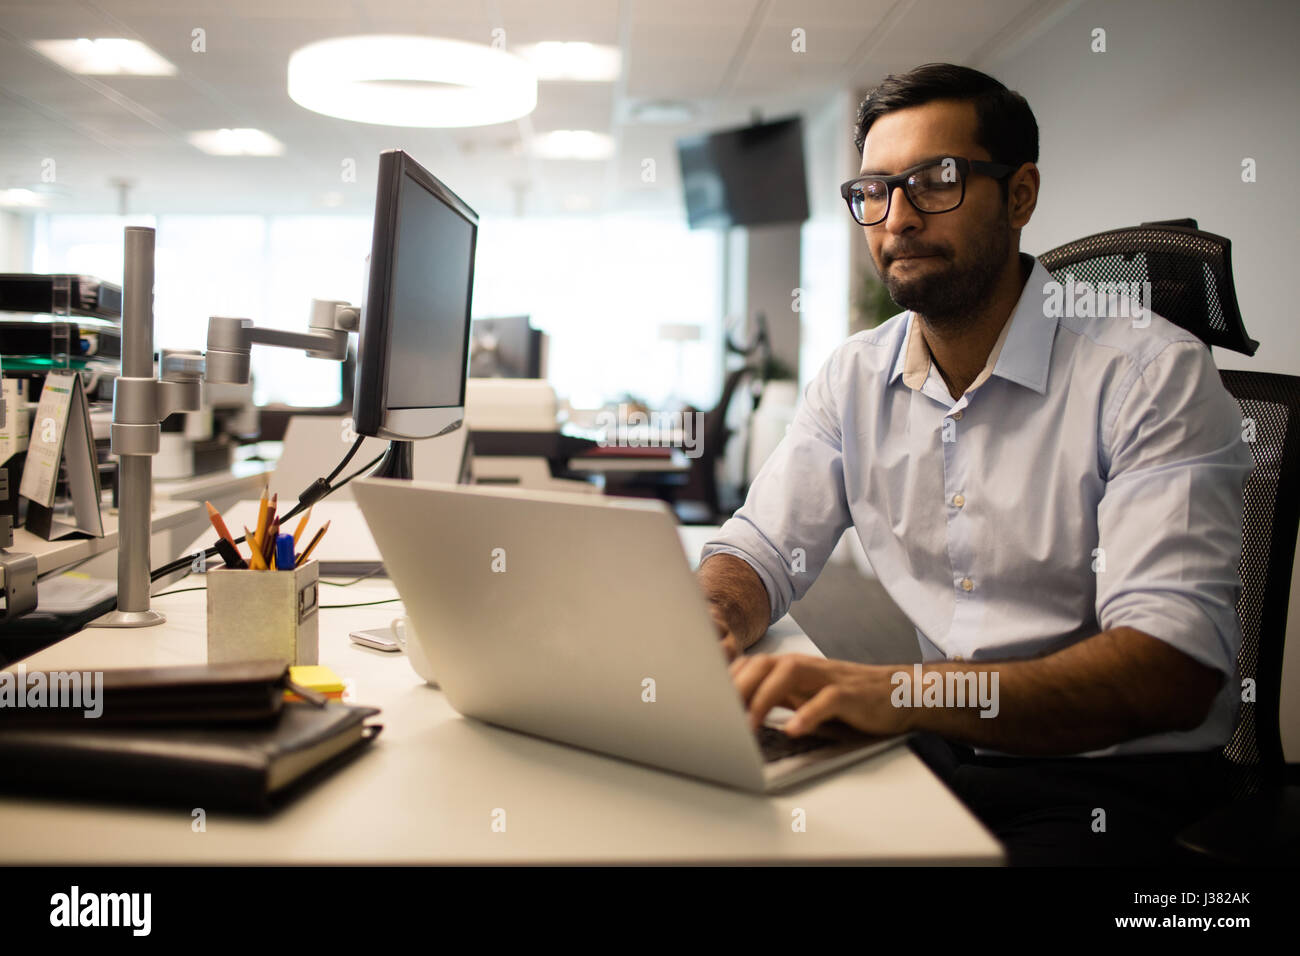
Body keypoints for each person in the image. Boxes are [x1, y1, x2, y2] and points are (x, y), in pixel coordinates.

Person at [696, 62, 1253, 865]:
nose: (898, 219)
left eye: (937, 182)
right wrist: (714, 614)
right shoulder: (855, 375)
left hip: (1115, 781)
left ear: (1020, 195)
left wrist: (901, 693)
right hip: (948, 747)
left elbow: (1166, 670)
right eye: (876, 192)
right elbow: (755, 548)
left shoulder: (1149, 375)